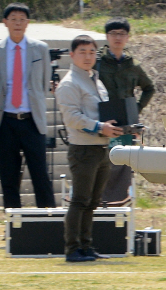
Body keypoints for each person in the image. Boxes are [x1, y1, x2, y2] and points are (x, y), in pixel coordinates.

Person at [55, 35, 123, 262]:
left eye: (92, 52)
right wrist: (98, 127)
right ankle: (72, 248)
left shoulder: (95, 79)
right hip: (83, 149)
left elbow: (101, 112)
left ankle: (86, 247)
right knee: (80, 200)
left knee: (93, 201)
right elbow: (72, 118)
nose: (87, 56)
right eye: (82, 52)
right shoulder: (69, 83)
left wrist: (119, 126)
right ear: (72, 55)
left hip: (101, 148)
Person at [0, 2, 56, 209]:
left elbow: (43, 84)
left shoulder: (40, 49)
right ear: (5, 22)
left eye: (21, 19)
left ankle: (48, 222)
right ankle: (13, 227)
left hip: (32, 121)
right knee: (8, 178)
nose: (17, 23)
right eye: (13, 19)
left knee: (40, 175)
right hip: (5, 121)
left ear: (28, 23)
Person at [94, 17, 154, 113]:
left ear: (127, 37)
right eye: (113, 33)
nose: (118, 38)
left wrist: (138, 108)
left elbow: (149, 88)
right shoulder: (97, 62)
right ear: (107, 36)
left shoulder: (133, 65)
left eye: (122, 34)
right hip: (103, 116)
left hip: (127, 116)